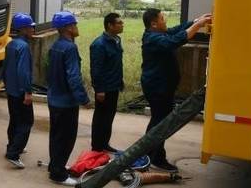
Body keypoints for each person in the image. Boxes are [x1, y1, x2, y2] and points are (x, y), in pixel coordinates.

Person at [141, 9, 212, 172]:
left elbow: (175, 31)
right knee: (160, 122)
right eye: (162, 18)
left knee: (158, 120)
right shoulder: (153, 38)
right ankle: (156, 157)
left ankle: (148, 152)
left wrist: (196, 20)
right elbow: (175, 41)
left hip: (162, 86)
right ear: (154, 24)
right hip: (157, 88)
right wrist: (198, 25)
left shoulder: (159, 33)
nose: (165, 21)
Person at [47, 11, 90, 185]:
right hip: (66, 102)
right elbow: (73, 77)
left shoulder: (55, 46)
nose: (76, 27)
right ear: (67, 28)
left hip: (54, 99)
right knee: (66, 138)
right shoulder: (70, 48)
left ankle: (54, 166)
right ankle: (58, 174)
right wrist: (84, 98)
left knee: (56, 136)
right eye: (74, 25)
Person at [2, 13, 37, 168]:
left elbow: (5, 68)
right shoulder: (23, 47)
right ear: (23, 29)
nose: (33, 29)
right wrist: (28, 92)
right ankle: (13, 153)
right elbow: (24, 71)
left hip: (11, 90)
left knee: (14, 120)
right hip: (21, 92)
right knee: (26, 122)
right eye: (30, 26)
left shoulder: (11, 44)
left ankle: (12, 146)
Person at [89, 12, 125, 153]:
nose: (122, 25)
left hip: (114, 86)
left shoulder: (116, 40)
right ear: (110, 25)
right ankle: (96, 146)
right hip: (105, 88)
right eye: (119, 23)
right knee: (101, 118)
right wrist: (99, 89)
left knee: (109, 117)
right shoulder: (99, 45)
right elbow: (96, 69)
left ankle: (104, 143)